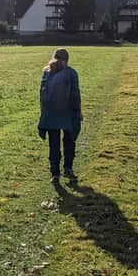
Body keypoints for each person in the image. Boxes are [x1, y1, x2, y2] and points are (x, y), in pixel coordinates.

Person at [38, 48, 82, 184]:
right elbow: (75, 94)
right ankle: (68, 169)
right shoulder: (71, 73)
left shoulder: (47, 72)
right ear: (67, 60)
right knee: (69, 141)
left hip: (51, 114)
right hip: (67, 113)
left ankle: (55, 173)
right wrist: (78, 111)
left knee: (54, 144)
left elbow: (42, 94)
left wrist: (43, 113)